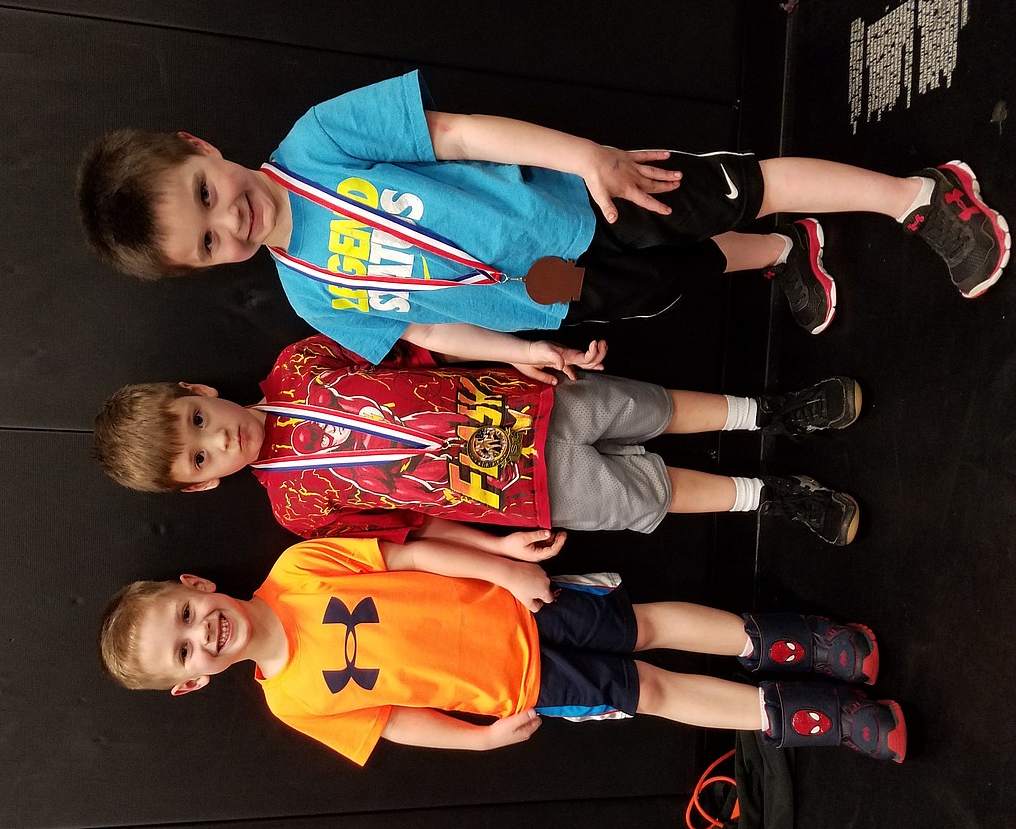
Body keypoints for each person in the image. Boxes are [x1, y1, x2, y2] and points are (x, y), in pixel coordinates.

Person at [77, 71, 1009, 367]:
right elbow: (428, 325)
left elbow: (463, 133)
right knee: (675, 277)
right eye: (206, 242)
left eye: (203, 192)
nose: (226, 220)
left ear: (201, 147)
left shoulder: (319, 140)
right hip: (546, 291)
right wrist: (521, 349)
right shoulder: (308, 294)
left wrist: (585, 157)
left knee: (737, 187)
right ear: (206, 267)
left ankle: (919, 197)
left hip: (572, 203)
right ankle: (783, 255)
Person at [98, 534, 907, 765]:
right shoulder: (292, 700)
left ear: (196, 583)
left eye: (184, 612)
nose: (199, 632)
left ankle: (809, 643)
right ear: (191, 683)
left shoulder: (296, 565)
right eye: (184, 652)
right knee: (651, 690)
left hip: (521, 605)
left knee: (651, 623)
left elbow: (411, 554)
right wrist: (481, 737)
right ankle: (816, 716)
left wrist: (510, 570)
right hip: (519, 681)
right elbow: (397, 720)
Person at [94, 335, 864, 546]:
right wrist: (495, 554)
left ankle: (770, 410)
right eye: (201, 457)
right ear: (202, 484)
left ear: (197, 390)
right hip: (518, 494)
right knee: (649, 495)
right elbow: (411, 532)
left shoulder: (301, 360)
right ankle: (774, 498)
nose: (218, 437)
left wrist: (516, 351)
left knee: (649, 406)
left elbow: (421, 341)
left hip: (520, 402)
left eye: (197, 420)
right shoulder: (296, 510)